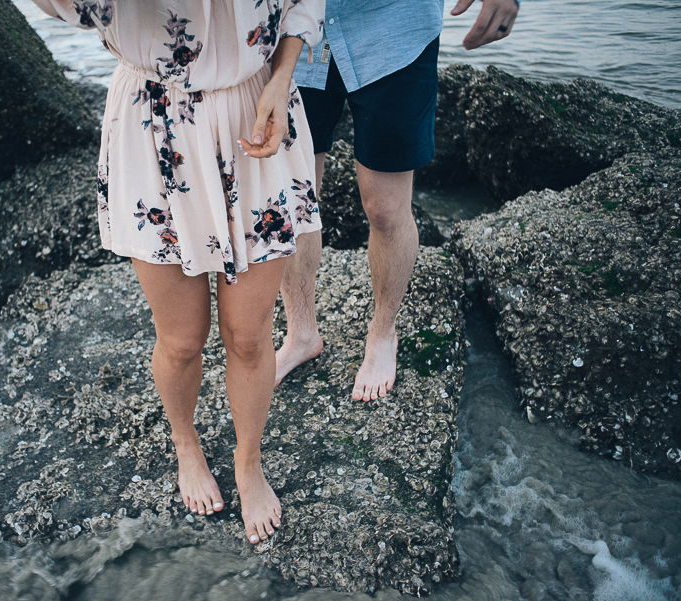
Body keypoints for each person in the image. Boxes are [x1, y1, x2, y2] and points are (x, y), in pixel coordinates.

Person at [30, 0, 324, 545]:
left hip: (254, 108)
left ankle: (247, 461)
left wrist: (282, 79)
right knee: (183, 340)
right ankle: (186, 442)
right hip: (153, 124)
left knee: (250, 337)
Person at [275, 0, 520, 401]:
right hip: (295, 36)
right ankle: (301, 332)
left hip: (393, 30)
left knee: (386, 210)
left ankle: (383, 332)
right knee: (291, 202)